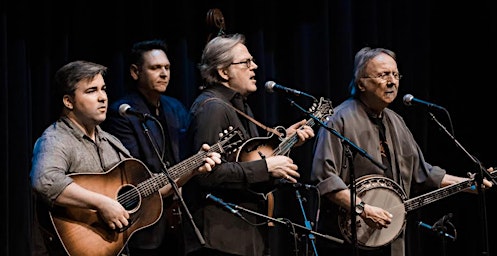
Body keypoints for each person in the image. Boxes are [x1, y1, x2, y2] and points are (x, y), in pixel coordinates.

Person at [310, 46, 493, 256]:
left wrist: (468, 185)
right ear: (361, 82)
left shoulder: (396, 122)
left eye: (395, 75)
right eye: (383, 75)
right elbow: (323, 178)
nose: (392, 81)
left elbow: (422, 172)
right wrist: (363, 209)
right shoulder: (339, 119)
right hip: (346, 241)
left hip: (390, 239)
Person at [30, 60, 221, 256]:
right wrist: (102, 203)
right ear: (68, 101)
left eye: (103, 89)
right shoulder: (56, 139)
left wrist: (192, 168)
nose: (102, 97)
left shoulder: (110, 141)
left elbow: (150, 188)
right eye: (91, 91)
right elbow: (45, 181)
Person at [182, 33, 315, 256]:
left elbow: (244, 160)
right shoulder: (212, 108)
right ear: (224, 72)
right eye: (245, 62)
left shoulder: (237, 105)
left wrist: (285, 143)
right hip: (220, 239)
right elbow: (206, 174)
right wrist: (267, 168)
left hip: (241, 234)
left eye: (252, 61)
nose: (254, 66)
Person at [101, 39, 197, 256]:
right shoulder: (122, 112)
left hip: (180, 218)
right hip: (146, 220)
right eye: (155, 68)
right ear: (135, 72)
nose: (164, 73)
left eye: (167, 67)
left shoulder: (175, 107)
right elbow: (134, 171)